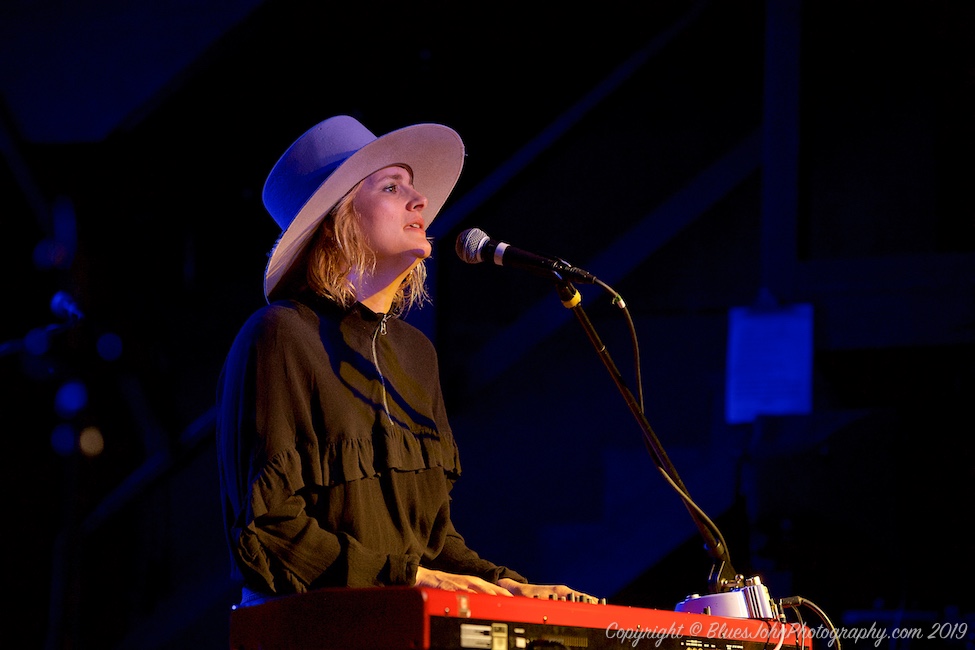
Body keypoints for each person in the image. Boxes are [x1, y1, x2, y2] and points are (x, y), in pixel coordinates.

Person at [215, 115, 596, 607]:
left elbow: (430, 545)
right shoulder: (279, 337)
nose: (420, 203)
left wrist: (509, 587)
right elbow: (268, 532)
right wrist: (413, 578)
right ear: (339, 220)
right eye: (392, 188)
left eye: (413, 189)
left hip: (396, 623)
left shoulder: (416, 354)